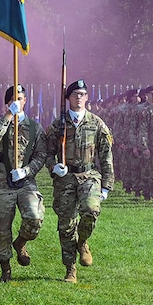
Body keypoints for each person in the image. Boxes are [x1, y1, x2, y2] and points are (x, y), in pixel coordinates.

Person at [44, 79, 115, 283]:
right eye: (75, 94)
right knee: (66, 225)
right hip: (65, 178)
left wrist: (106, 186)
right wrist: (54, 166)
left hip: (89, 175)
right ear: (68, 98)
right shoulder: (59, 124)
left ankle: (83, 241)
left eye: (83, 94)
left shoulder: (96, 123)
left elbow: (106, 156)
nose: (79, 98)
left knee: (91, 210)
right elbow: (47, 153)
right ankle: (70, 268)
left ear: (87, 97)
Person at [0, 84, 48, 282]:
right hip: (2, 183)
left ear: (25, 101)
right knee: (1, 228)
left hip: (25, 183)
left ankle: (21, 242)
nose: (17, 102)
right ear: (7, 103)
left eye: (20, 99)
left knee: (34, 217)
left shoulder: (34, 127)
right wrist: (7, 117)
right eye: (13, 99)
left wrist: (26, 171)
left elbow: (41, 155)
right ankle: (5, 268)